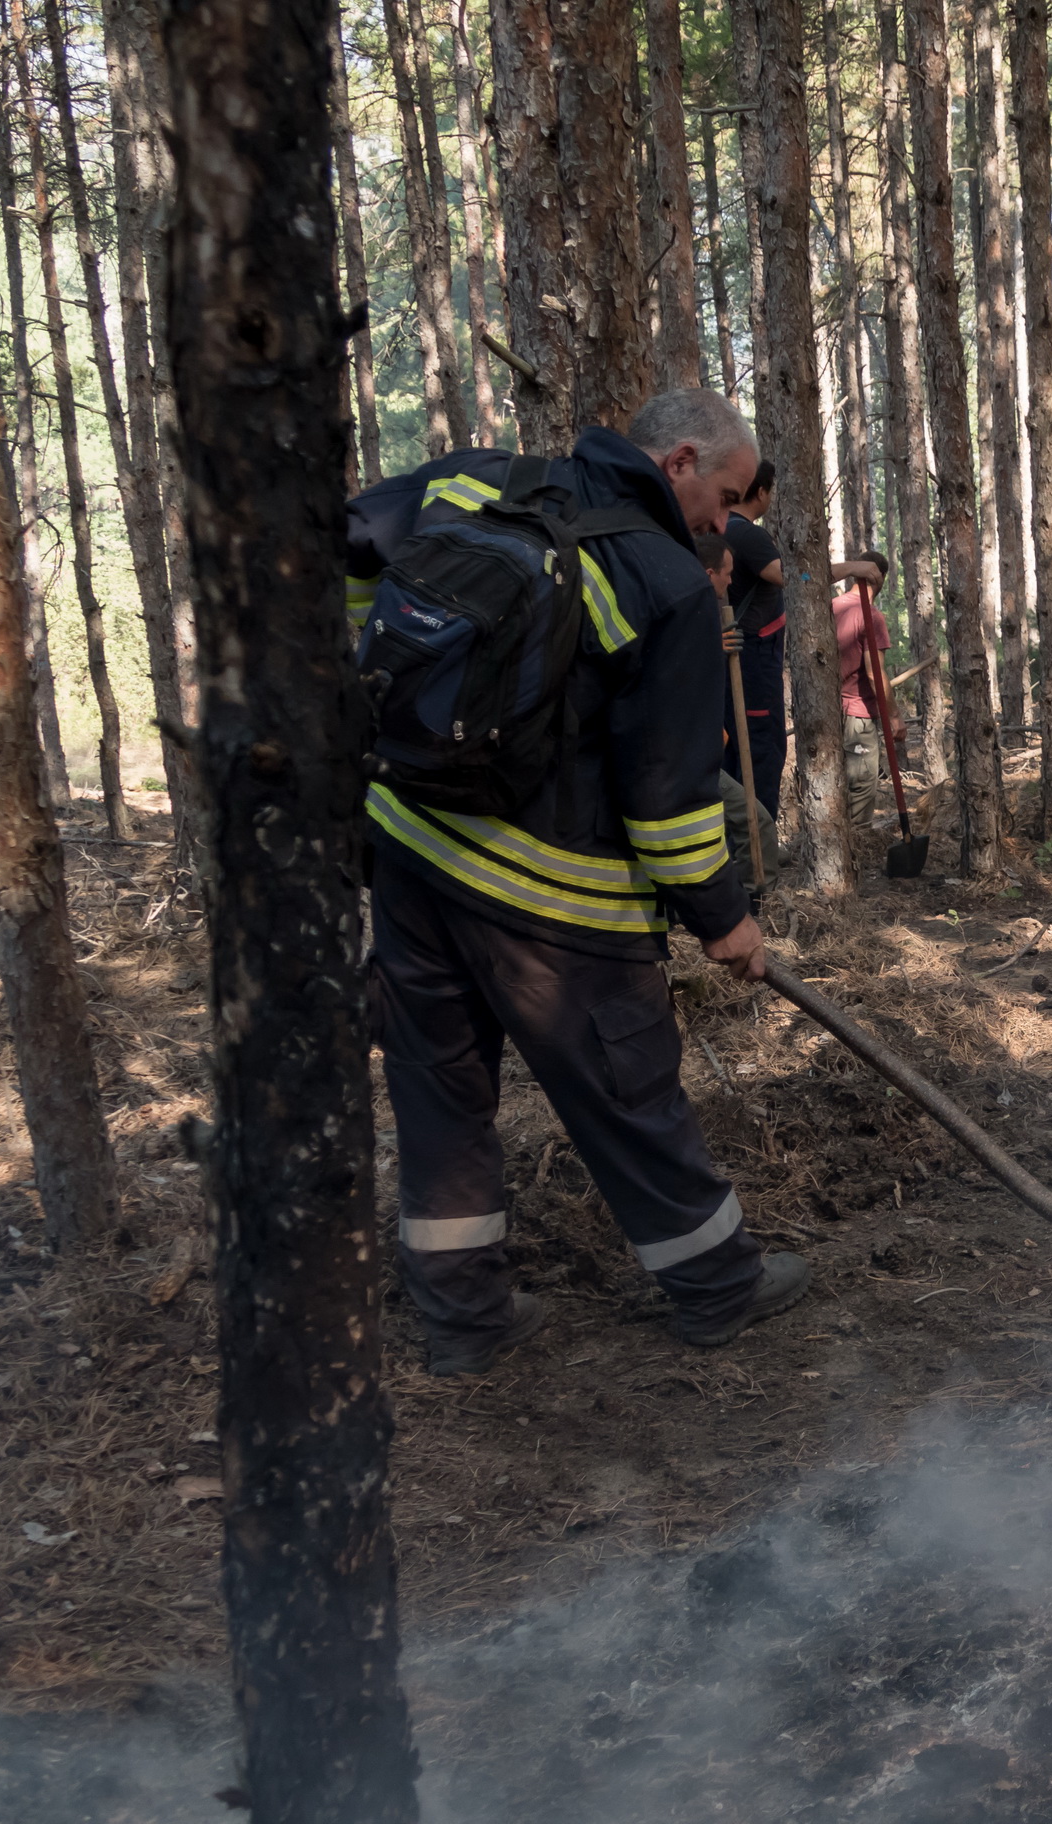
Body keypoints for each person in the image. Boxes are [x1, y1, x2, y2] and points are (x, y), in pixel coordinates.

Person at [349, 388, 810, 1377]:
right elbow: (669, 800)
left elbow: (351, 550)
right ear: (680, 460)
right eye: (726, 498)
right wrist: (725, 922)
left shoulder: (475, 480)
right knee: (628, 1090)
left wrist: (365, 708)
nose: (725, 526)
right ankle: (717, 1286)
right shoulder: (669, 583)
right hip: (554, 900)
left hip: (409, 855)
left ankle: (465, 1321)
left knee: (439, 1097)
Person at [699, 530, 779, 895]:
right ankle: (753, 900)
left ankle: (754, 901)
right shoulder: (679, 611)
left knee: (753, 821)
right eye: (727, 572)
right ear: (708, 572)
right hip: (677, 755)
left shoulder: (705, 611)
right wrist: (710, 649)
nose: (732, 580)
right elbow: (666, 675)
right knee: (753, 821)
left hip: (701, 748)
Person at [721, 464, 788, 821]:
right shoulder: (748, 536)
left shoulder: (719, 528)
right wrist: (847, 568)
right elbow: (793, 577)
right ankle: (757, 842)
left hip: (737, 661)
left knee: (736, 750)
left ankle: (740, 846)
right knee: (762, 750)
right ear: (760, 491)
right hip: (754, 664)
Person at [829, 551, 895, 822]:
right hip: (858, 717)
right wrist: (893, 715)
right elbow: (874, 672)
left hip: (830, 712)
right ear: (880, 579)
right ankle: (854, 851)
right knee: (861, 790)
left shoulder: (831, 606)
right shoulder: (871, 616)